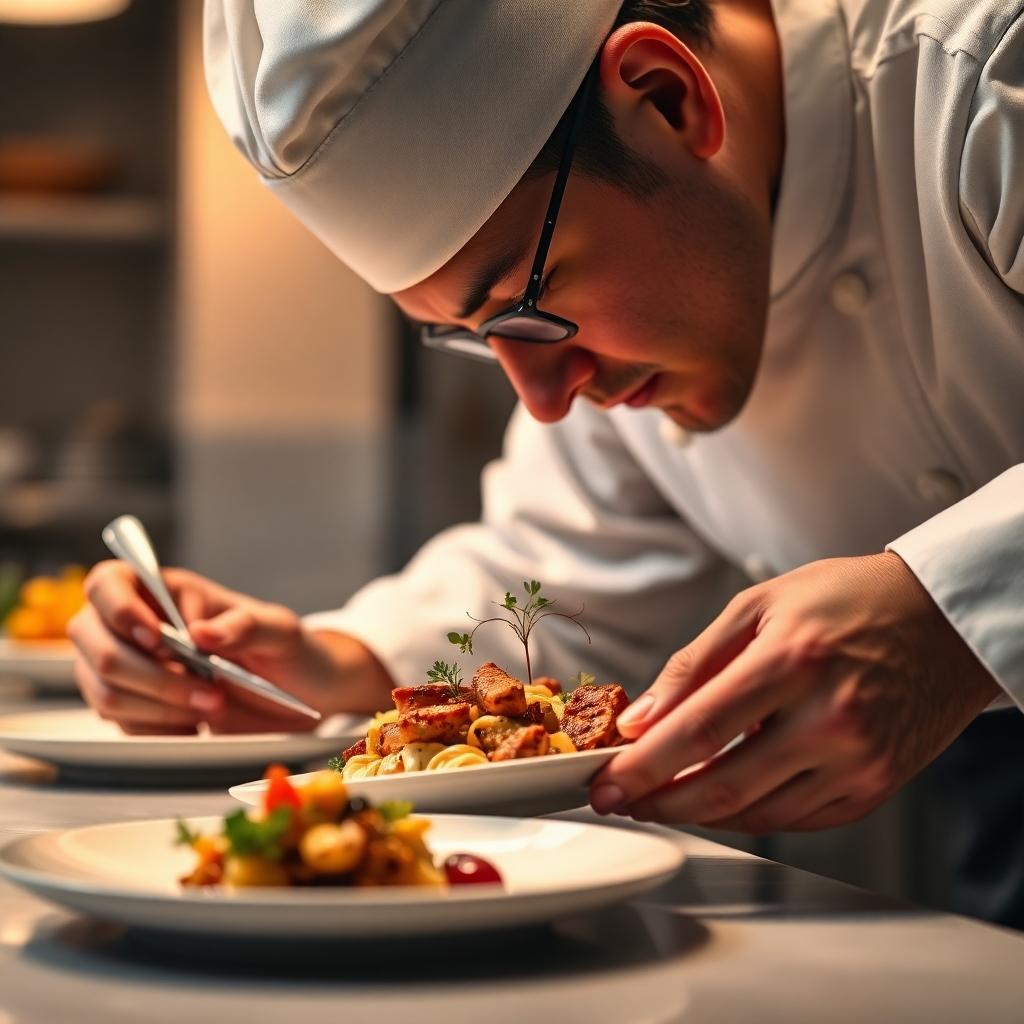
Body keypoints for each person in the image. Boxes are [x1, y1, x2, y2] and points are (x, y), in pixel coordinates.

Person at [70, 0, 1024, 920]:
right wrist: (324, 664)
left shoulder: (983, 80)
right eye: (475, 337)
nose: (544, 398)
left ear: (668, 97)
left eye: (526, 303)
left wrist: (949, 612)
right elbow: (561, 569)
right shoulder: (617, 331)